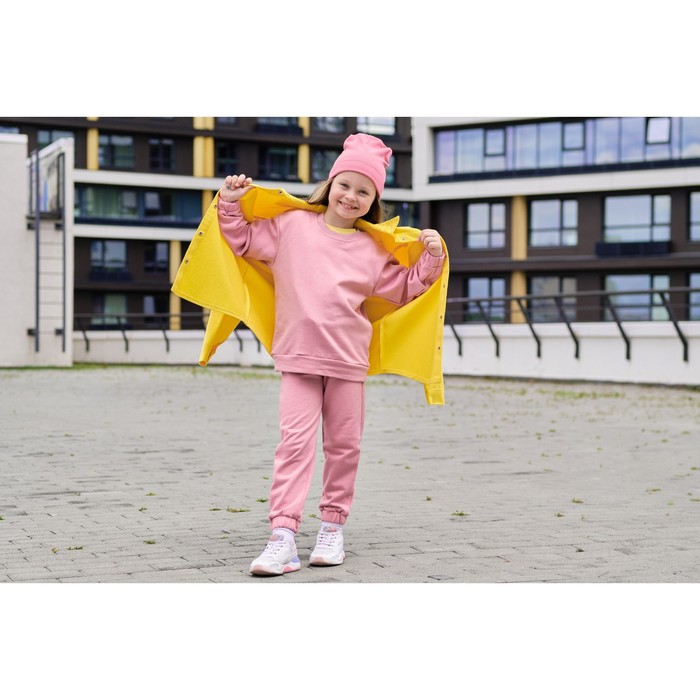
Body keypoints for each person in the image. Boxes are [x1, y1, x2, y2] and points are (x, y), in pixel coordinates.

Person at [215, 133, 446, 576]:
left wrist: (432, 258)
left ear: (374, 201)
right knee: (293, 446)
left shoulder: (373, 248)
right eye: (345, 185)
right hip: (298, 358)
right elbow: (240, 239)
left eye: (364, 191)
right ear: (330, 183)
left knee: (344, 448)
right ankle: (282, 537)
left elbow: (404, 288)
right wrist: (229, 201)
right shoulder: (291, 226)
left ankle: (332, 529)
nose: (351, 196)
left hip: (348, 362)